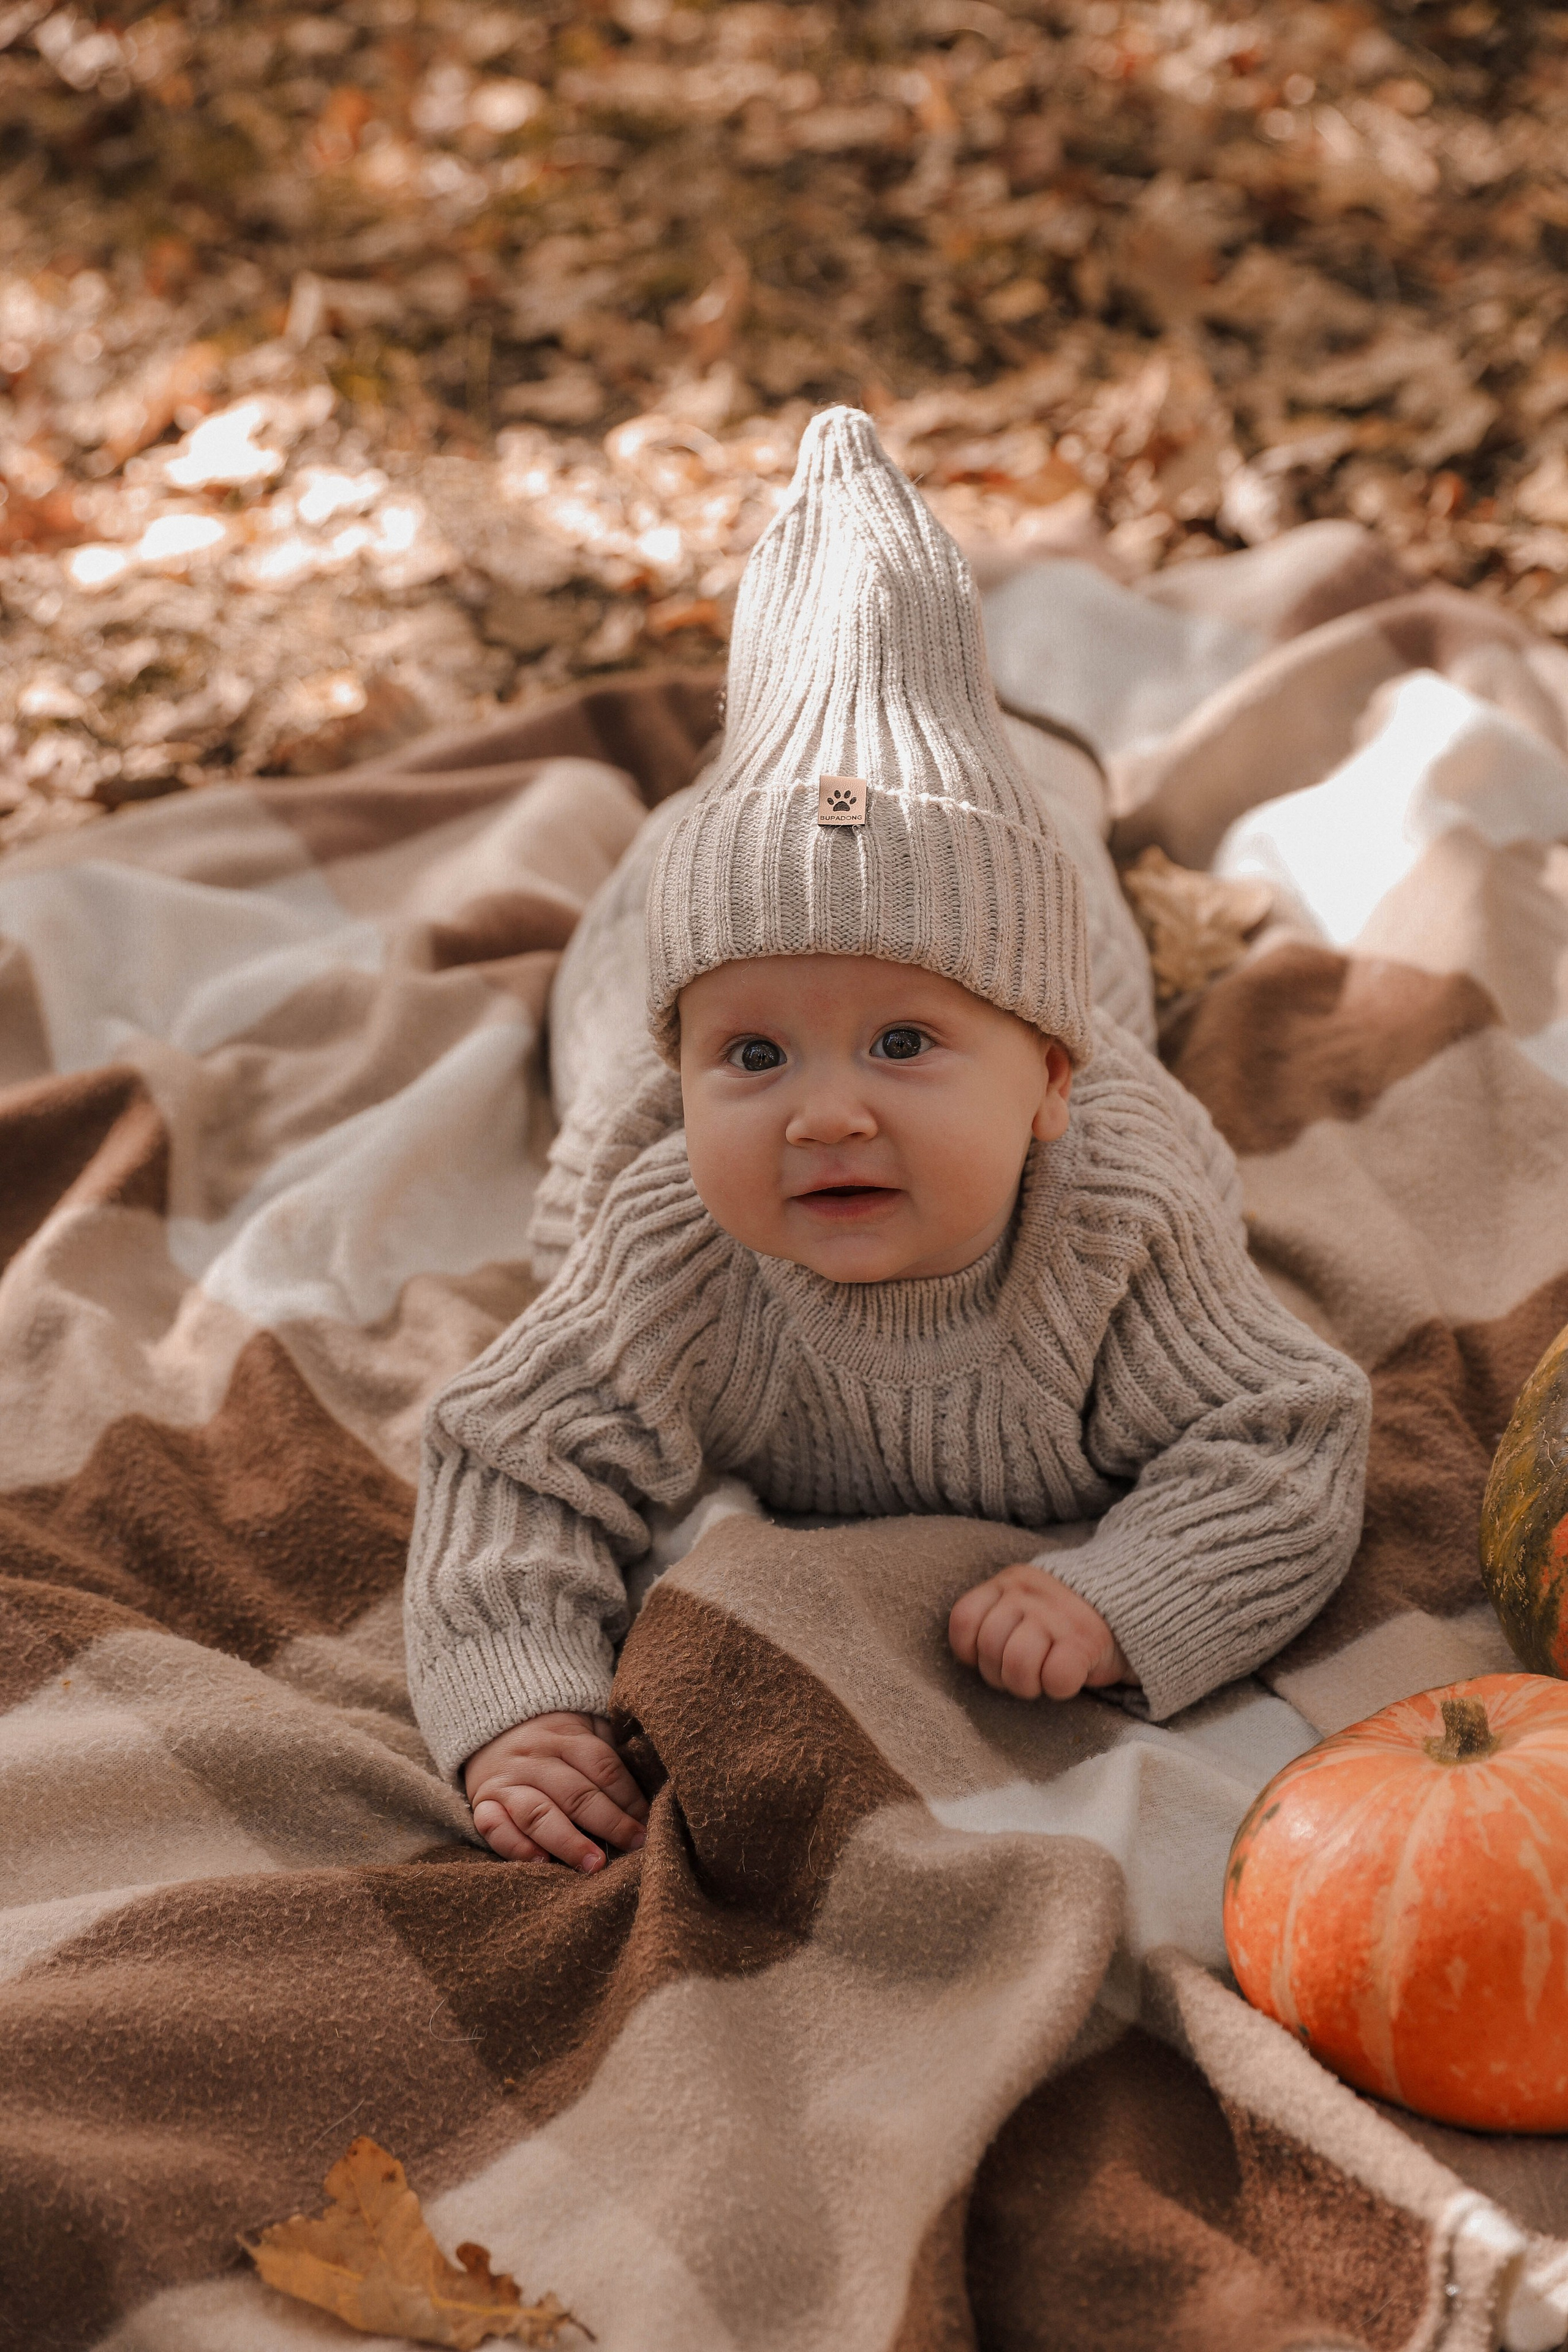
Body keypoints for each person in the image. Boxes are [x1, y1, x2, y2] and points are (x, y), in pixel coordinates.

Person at [404, 407, 1371, 1871]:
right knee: (629, 977)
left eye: (902, 1046)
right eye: (754, 1058)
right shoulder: (666, 1242)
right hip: (682, 927)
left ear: (1048, 1087)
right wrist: (518, 1708)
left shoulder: (1112, 1216)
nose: (827, 1109)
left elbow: (1286, 1435)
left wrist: (1123, 1595)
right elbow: (506, 1464)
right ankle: (727, 833)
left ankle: (1032, 752)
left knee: (1064, 897)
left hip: (1025, 940)